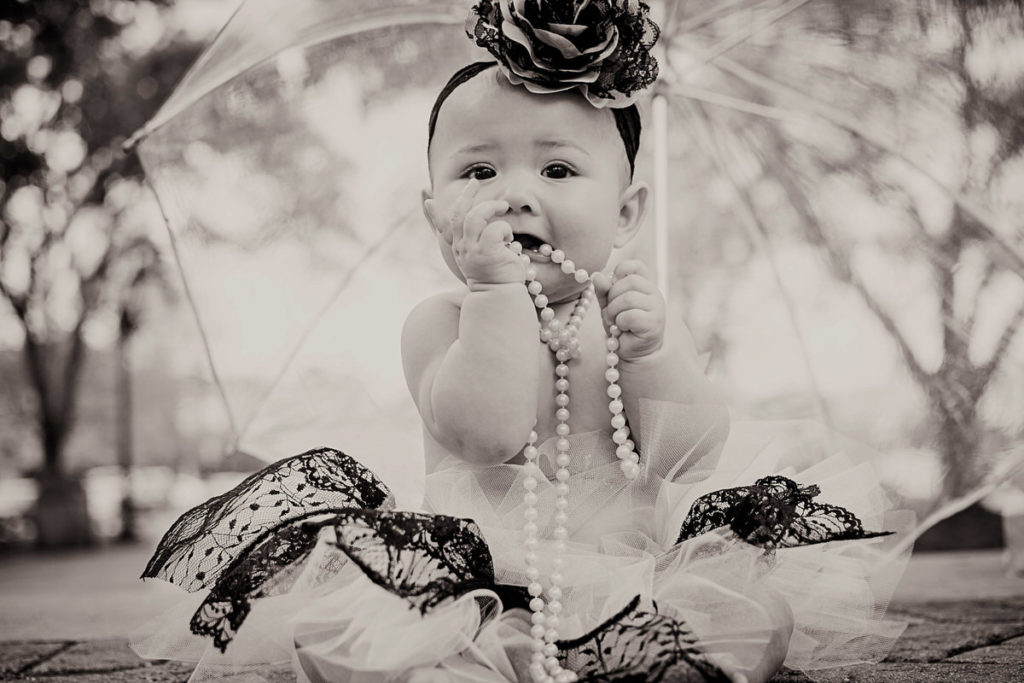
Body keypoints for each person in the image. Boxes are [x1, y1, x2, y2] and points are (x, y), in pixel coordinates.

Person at [133, 3, 911, 682]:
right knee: (366, 647)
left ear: (627, 212)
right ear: (434, 212)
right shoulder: (439, 322)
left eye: (558, 168)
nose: (515, 192)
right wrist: (496, 294)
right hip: (477, 588)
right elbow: (488, 431)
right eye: (478, 171)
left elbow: (692, 456)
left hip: (631, 580)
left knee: (750, 616)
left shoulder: (630, 315)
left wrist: (652, 352)